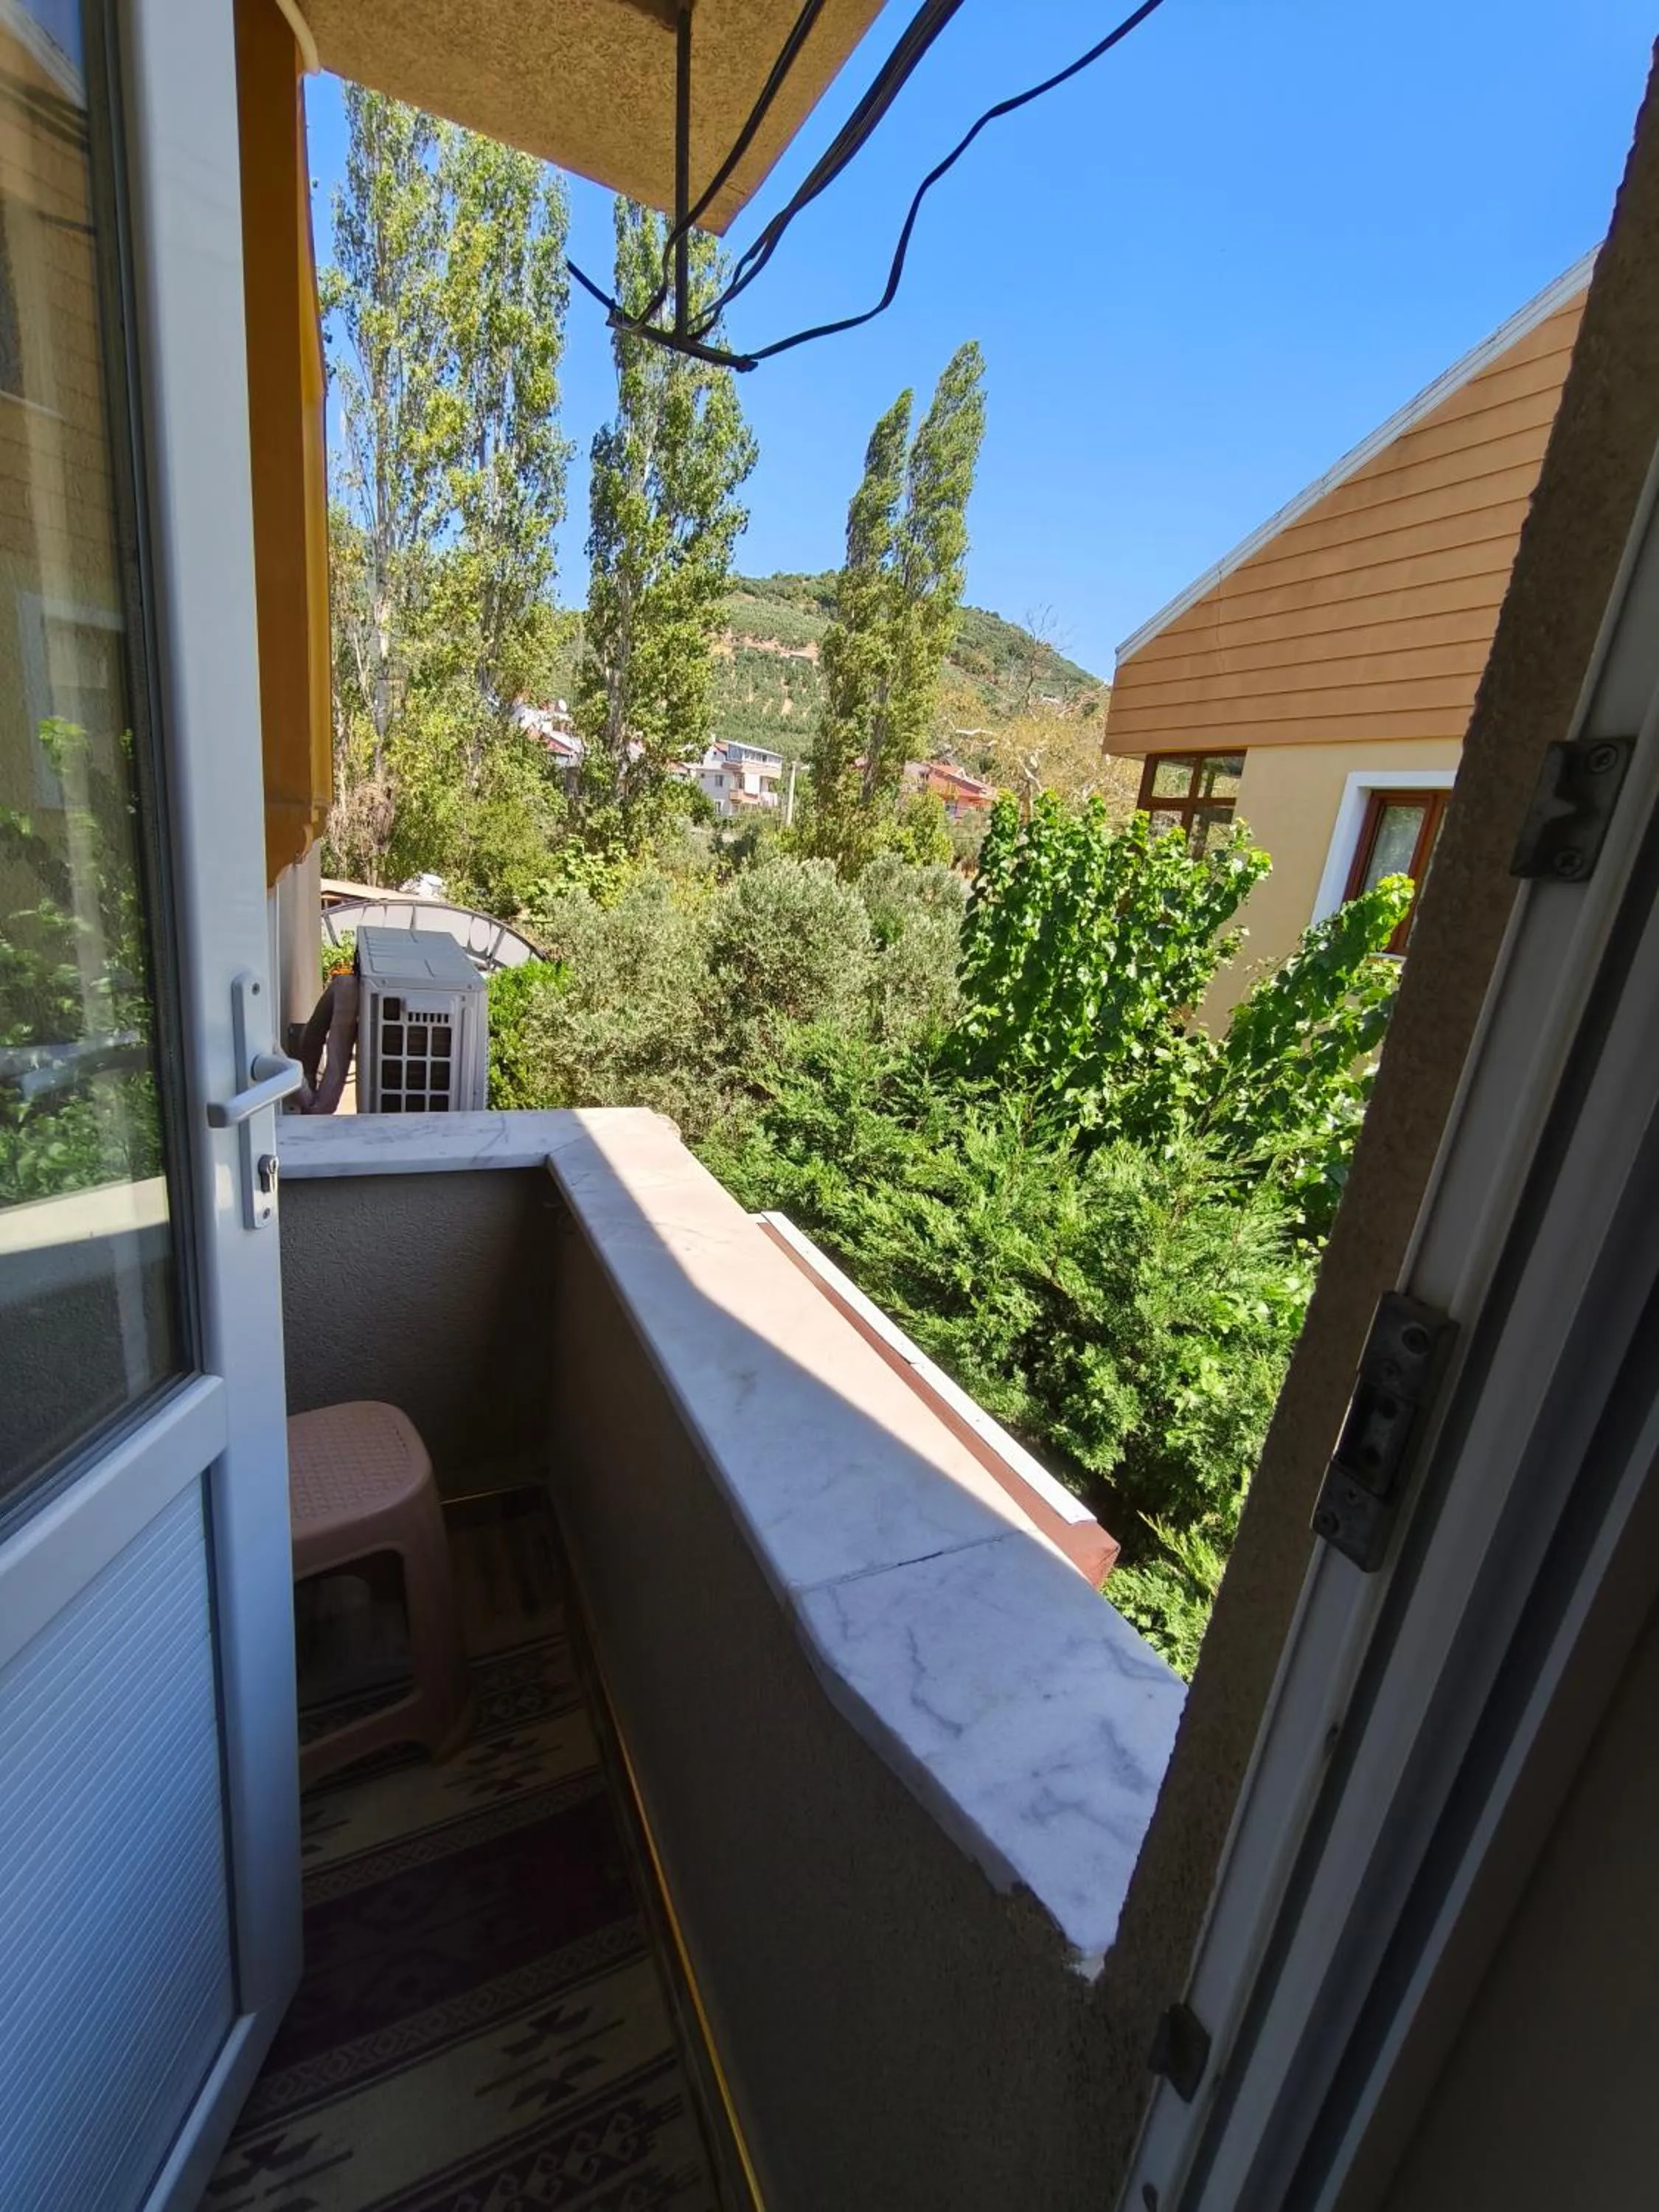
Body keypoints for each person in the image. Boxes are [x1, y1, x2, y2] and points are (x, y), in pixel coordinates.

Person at [296, 963, 359, 1114]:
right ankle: (319, 1107)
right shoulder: (348, 987)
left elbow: (314, 1034)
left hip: (349, 984)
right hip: (352, 987)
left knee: (328, 1044)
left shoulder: (346, 984)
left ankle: (311, 1094)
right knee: (337, 1053)